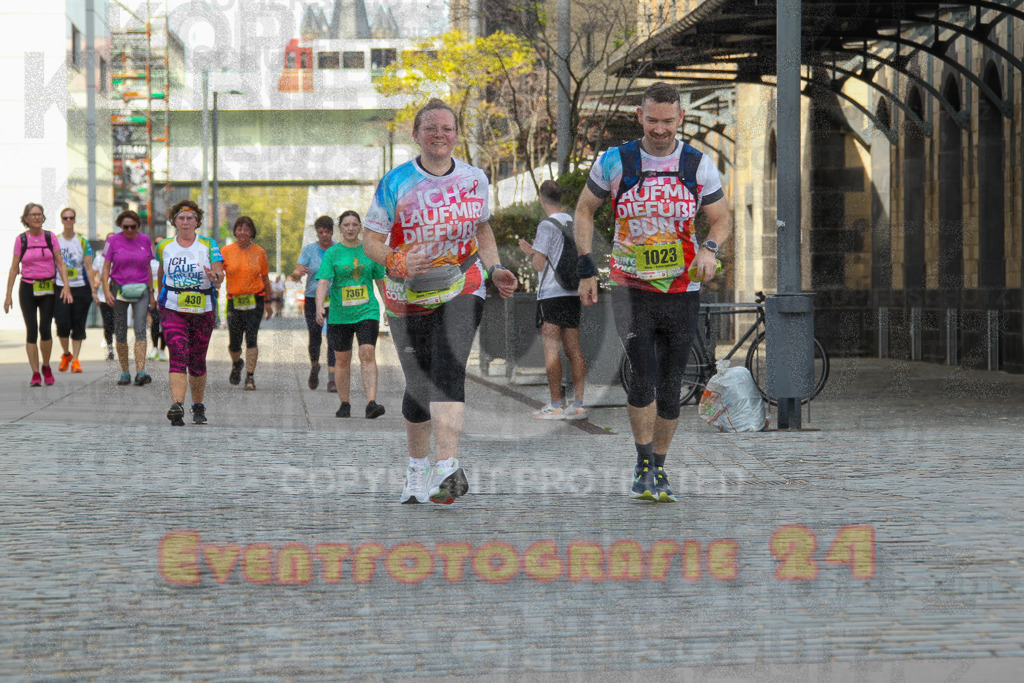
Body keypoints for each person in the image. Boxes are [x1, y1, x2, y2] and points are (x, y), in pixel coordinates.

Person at [573, 81, 731, 503]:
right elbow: (584, 210)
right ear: (639, 117)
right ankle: (643, 463)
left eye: (668, 120)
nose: (659, 129)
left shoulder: (698, 165)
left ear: (680, 118)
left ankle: (659, 466)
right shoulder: (615, 161)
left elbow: (720, 219)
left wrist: (710, 249)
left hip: (681, 287)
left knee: (671, 380)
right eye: (652, 119)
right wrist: (586, 267)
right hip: (630, 285)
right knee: (641, 372)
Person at [363, 98, 518, 505]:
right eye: (431, 128)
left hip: (461, 284)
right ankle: (417, 470)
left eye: (447, 129)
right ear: (416, 135)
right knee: (419, 386)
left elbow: (482, 229)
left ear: (456, 135)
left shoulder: (474, 179)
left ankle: (446, 466)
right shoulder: (395, 182)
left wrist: (495, 267)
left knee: (449, 367)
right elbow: (370, 241)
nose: (440, 135)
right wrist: (396, 259)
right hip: (407, 297)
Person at [518, 180, 587, 420]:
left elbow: (539, 263)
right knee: (574, 349)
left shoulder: (546, 226)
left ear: (542, 199)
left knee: (551, 350)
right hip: (572, 292)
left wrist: (532, 254)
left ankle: (556, 405)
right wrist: (534, 250)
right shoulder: (573, 222)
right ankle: (577, 405)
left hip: (551, 294)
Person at [156, 199, 224, 426]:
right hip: (172, 306)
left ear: (197, 222)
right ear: (174, 221)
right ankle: (177, 405)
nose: (185, 222)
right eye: (181, 218)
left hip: (202, 308)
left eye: (190, 218)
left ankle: (198, 404)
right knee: (178, 352)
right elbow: (160, 273)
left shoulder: (208, 244)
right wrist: (157, 297)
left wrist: (215, 278)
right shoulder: (165, 246)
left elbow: (218, 273)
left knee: (197, 360)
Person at [315, 210, 387, 418]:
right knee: (342, 359)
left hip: (367, 311)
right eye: (346, 225)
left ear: (360, 227)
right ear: (340, 229)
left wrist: (388, 308)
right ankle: (344, 403)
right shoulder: (333, 254)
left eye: (354, 225)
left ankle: (371, 403)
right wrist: (320, 305)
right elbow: (323, 282)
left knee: (367, 352)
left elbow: (380, 282)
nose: (350, 228)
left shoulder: (369, 251)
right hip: (340, 315)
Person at [3, 203, 73, 386]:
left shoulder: (50, 237)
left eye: (39, 214)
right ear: (26, 218)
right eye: (33, 215)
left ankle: (46, 366)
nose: (37, 217)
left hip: (48, 287)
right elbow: (13, 268)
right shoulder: (21, 240)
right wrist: (8, 295)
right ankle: (35, 372)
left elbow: (60, 263)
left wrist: (66, 286)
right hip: (27, 288)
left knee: (45, 329)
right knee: (31, 331)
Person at [101, 210, 156, 386]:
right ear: (120, 226)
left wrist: (152, 292)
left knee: (140, 328)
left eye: (133, 227)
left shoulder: (145, 240)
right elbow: (105, 267)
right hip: (119, 289)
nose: (129, 230)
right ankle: (125, 371)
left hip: (141, 289)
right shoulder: (112, 241)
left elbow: (148, 266)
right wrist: (105, 289)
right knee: (120, 329)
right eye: (126, 227)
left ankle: (141, 371)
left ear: (138, 226)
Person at [220, 215, 273, 390]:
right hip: (234, 301)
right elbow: (218, 274)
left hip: (254, 299)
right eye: (240, 229)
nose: (243, 233)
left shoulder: (260, 252)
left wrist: (268, 302)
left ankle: (250, 376)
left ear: (252, 232)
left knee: (251, 337)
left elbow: (265, 278)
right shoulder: (226, 251)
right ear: (235, 231)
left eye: (247, 229)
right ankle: (237, 363)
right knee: (234, 343)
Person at [291, 215, 336, 391]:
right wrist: (297, 273)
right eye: (320, 232)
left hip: (334, 298)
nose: (323, 235)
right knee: (315, 336)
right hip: (312, 297)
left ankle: (332, 378)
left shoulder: (338, 249)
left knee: (333, 338)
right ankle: (315, 365)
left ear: (332, 232)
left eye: (327, 232)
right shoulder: (309, 250)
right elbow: (296, 272)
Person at [54, 207, 96, 374]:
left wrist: (93, 290)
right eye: (65, 218)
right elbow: (52, 264)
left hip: (80, 287)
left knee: (78, 325)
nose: (68, 221)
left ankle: (76, 360)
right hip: (60, 287)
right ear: (62, 220)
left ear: (75, 220)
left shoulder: (82, 241)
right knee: (62, 323)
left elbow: (89, 267)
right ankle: (66, 354)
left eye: (71, 218)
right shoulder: (56, 240)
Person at [91, 244, 115, 360]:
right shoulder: (99, 258)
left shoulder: (120, 257)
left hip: (119, 295)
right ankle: (110, 348)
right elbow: (93, 273)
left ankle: (119, 345)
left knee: (118, 322)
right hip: (103, 295)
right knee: (108, 321)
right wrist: (95, 283)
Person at [147, 236, 168, 362]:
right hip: (153, 296)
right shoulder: (151, 261)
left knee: (165, 324)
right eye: (156, 243)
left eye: (161, 243)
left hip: (166, 297)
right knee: (154, 322)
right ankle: (154, 347)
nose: (158, 245)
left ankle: (162, 350)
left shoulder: (168, 259)